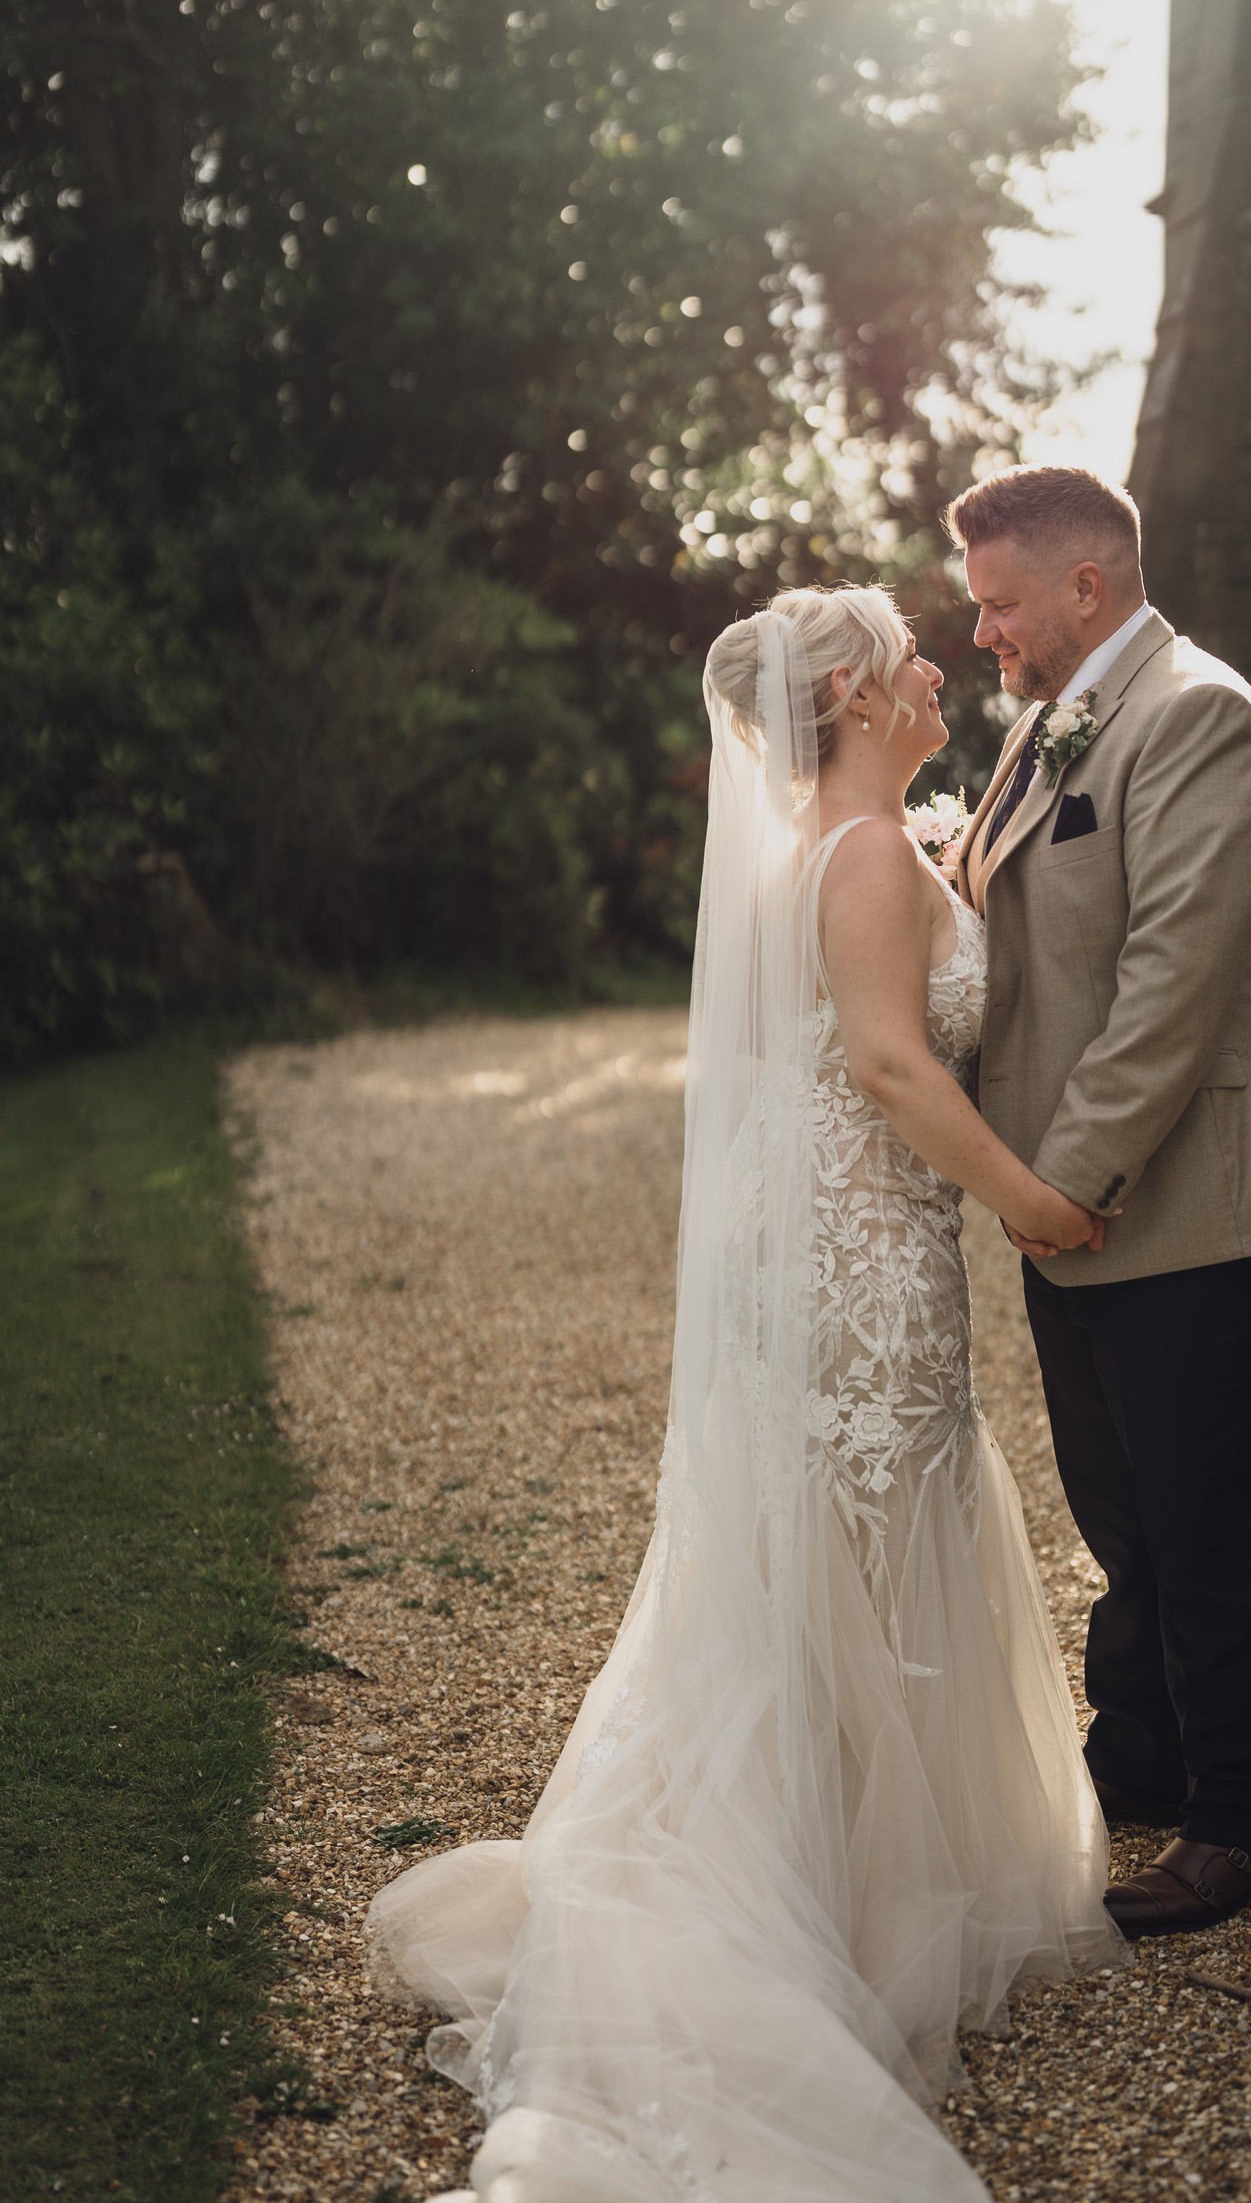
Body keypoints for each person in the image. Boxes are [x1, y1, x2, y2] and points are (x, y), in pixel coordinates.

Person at [367, 585, 1123, 2203]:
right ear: (852, 692)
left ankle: (840, 1863)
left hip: (836, 1242)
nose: (938, 667)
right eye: (914, 653)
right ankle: (809, 1903)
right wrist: (1035, 1202)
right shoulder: (858, 859)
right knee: (854, 1536)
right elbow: (893, 1064)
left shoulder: (848, 851)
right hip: (861, 1257)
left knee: (826, 1548)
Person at [950, 464, 1251, 1938]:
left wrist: (1062, 1182)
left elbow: (1170, 991)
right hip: (1080, 1195)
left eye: (1002, 604)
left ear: (1089, 585)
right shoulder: (1041, 723)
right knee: (1121, 1500)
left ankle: (1243, 1823)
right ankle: (1138, 1754)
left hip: (1213, 1185)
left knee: (1199, 1502)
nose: (985, 635)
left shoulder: (1199, 716)